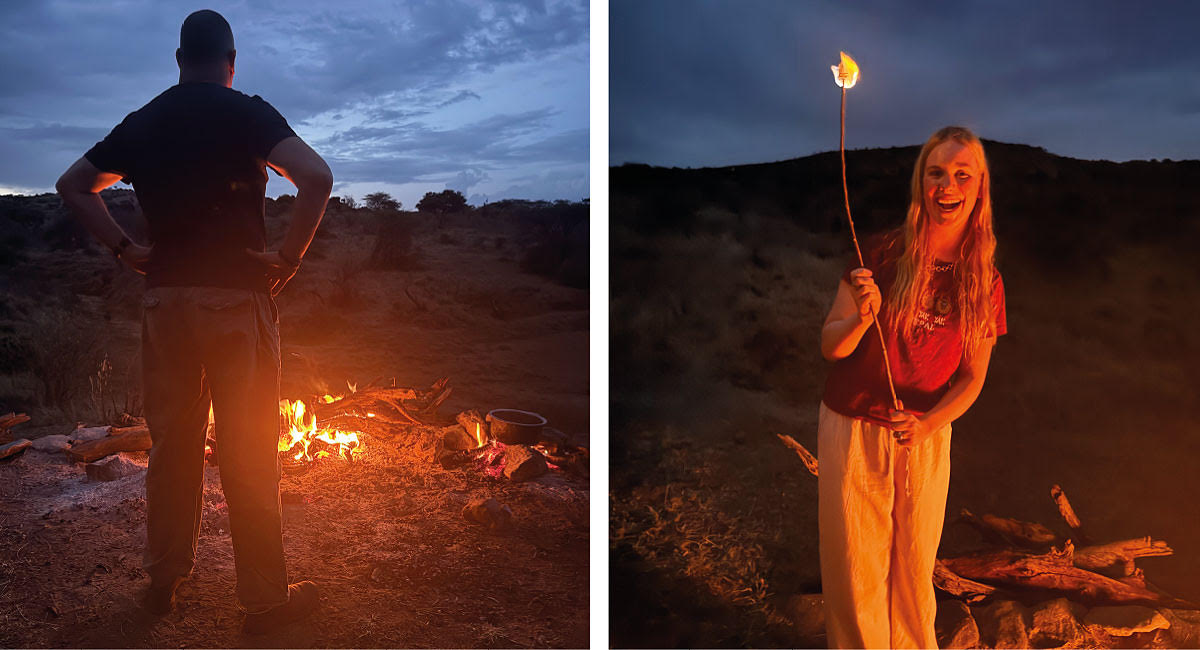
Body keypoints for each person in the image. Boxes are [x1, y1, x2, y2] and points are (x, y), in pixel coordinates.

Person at [55, 9, 332, 634]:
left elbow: (74, 185)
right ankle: (263, 603)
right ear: (231, 65)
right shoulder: (249, 112)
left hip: (166, 303)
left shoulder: (146, 120)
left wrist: (125, 249)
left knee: (172, 449)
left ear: (179, 61)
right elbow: (316, 176)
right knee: (250, 452)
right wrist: (287, 258)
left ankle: (162, 583)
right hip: (236, 302)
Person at [817, 126, 1006, 648]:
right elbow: (831, 345)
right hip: (854, 423)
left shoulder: (984, 280)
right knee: (857, 566)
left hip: (924, 435)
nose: (947, 186)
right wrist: (858, 319)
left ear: (979, 186)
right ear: (922, 182)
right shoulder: (880, 251)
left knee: (912, 565)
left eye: (961, 175)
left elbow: (972, 379)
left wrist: (928, 424)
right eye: (936, 173)